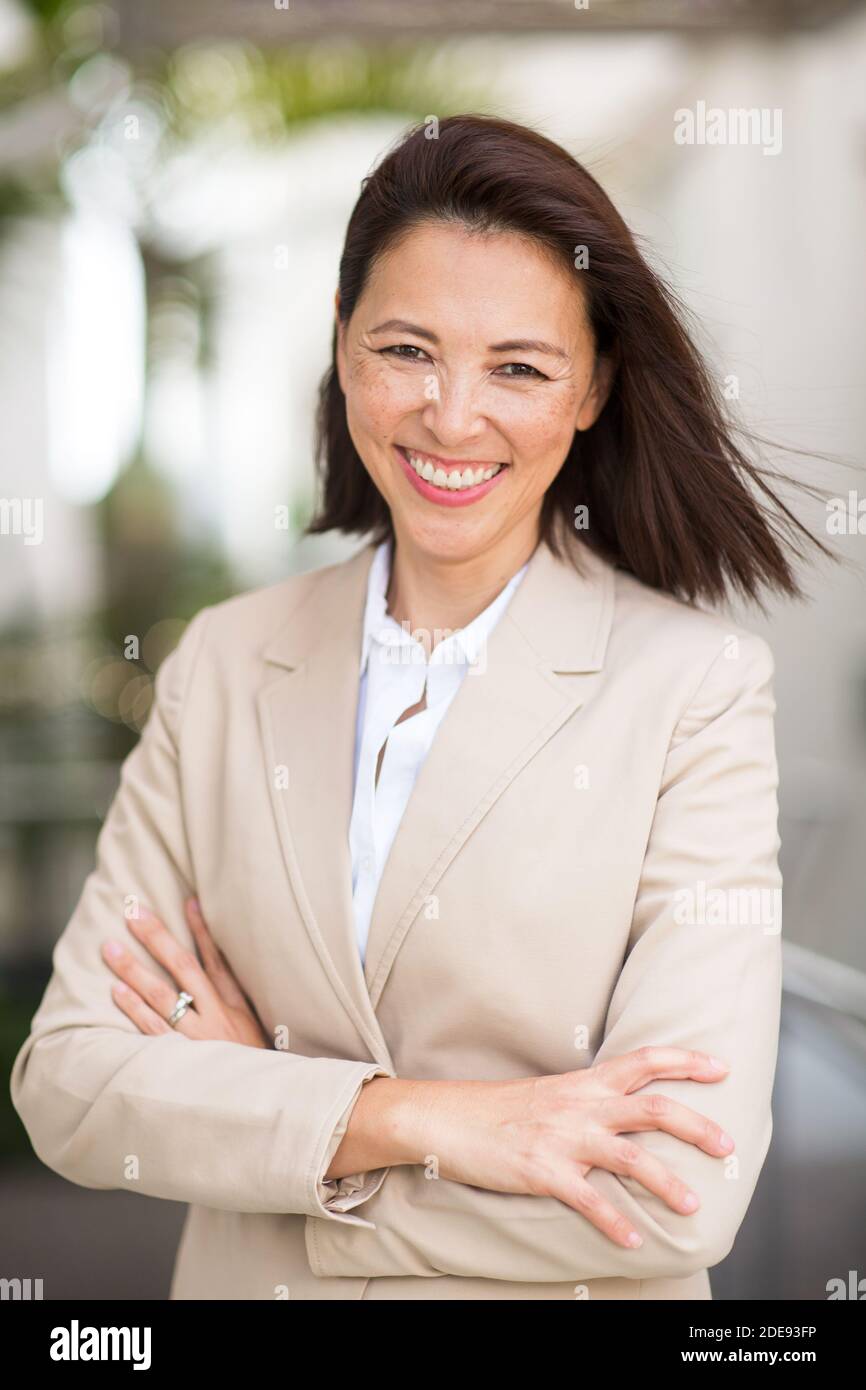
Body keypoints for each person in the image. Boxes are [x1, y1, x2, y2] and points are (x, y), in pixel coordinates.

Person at [11, 114, 829, 1301]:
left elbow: (666, 1193)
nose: (451, 417)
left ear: (591, 385)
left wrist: (281, 1129)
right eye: (406, 349)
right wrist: (415, 1117)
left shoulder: (689, 690)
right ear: (342, 348)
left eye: (517, 366)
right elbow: (72, 1087)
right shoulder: (224, 665)